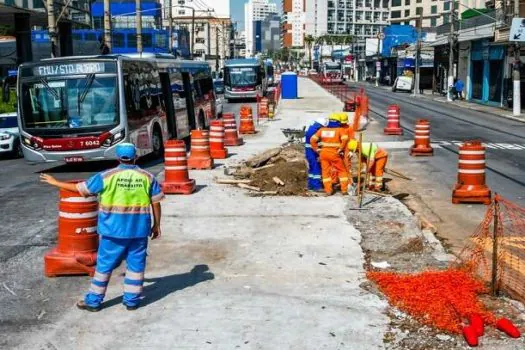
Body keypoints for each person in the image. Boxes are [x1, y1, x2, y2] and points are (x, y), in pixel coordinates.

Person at [40, 143, 164, 312]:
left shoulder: (106, 176)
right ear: (136, 156)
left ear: (118, 157)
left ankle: (93, 301)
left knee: (104, 266)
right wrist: (156, 225)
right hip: (139, 231)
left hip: (112, 231)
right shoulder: (147, 177)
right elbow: (155, 203)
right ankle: (132, 301)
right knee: (136, 265)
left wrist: (55, 182)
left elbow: (79, 189)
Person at [310, 118, 350, 195]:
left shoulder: (322, 130)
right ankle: (344, 190)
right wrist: (341, 149)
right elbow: (345, 139)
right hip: (334, 153)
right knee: (342, 171)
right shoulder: (340, 130)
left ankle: (328, 191)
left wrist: (317, 149)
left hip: (323, 153)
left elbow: (312, 140)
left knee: (325, 172)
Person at [305, 117, 329, 191]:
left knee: (312, 169)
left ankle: (311, 185)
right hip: (312, 152)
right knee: (316, 168)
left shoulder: (312, 129)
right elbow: (315, 141)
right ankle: (317, 187)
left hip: (310, 152)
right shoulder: (314, 131)